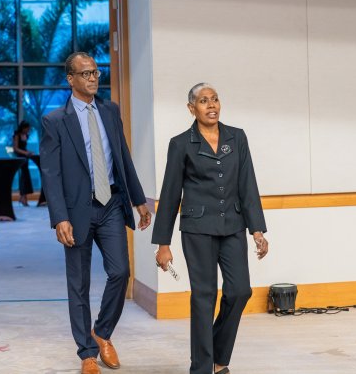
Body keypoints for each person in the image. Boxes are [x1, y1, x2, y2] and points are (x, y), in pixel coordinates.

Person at [40, 52, 152, 374]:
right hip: (76, 211)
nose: (92, 78)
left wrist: (138, 200)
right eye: (85, 73)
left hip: (112, 203)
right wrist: (59, 217)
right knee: (79, 284)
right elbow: (51, 174)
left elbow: (123, 157)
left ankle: (102, 332)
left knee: (120, 272)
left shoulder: (110, 111)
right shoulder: (55, 121)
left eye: (95, 72)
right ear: (70, 79)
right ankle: (87, 354)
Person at [152, 83, 269, 374]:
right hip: (197, 229)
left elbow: (247, 184)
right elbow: (170, 194)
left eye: (215, 99)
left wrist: (257, 229)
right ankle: (203, 368)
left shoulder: (237, 137)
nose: (211, 105)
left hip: (233, 226)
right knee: (204, 297)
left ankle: (218, 355)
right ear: (191, 108)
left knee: (240, 291)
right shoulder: (181, 144)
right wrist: (163, 244)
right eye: (204, 100)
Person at [12, 120, 33, 206]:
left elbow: (24, 147)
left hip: (25, 157)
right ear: (23, 128)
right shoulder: (17, 135)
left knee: (25, 177)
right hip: (20, 158)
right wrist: (25, 153)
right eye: (27, 129)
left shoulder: (26, 135)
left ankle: (23, 197)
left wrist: (28, 152)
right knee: (24, 177)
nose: (28, 130)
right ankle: (23, 198)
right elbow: (16, 148)